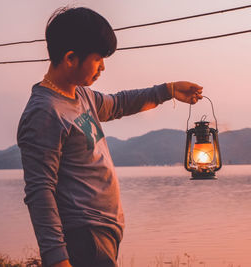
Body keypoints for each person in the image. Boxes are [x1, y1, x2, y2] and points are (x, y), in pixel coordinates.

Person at [17, 7, 203, 267]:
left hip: (102, 232)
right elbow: (40, 190)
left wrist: (168, 90)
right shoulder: (44, 112)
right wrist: (57, 258)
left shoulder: (81, 95)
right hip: (83, 236)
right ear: (71, 58)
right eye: (98, 59)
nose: (103, 67)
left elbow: (119, 103)